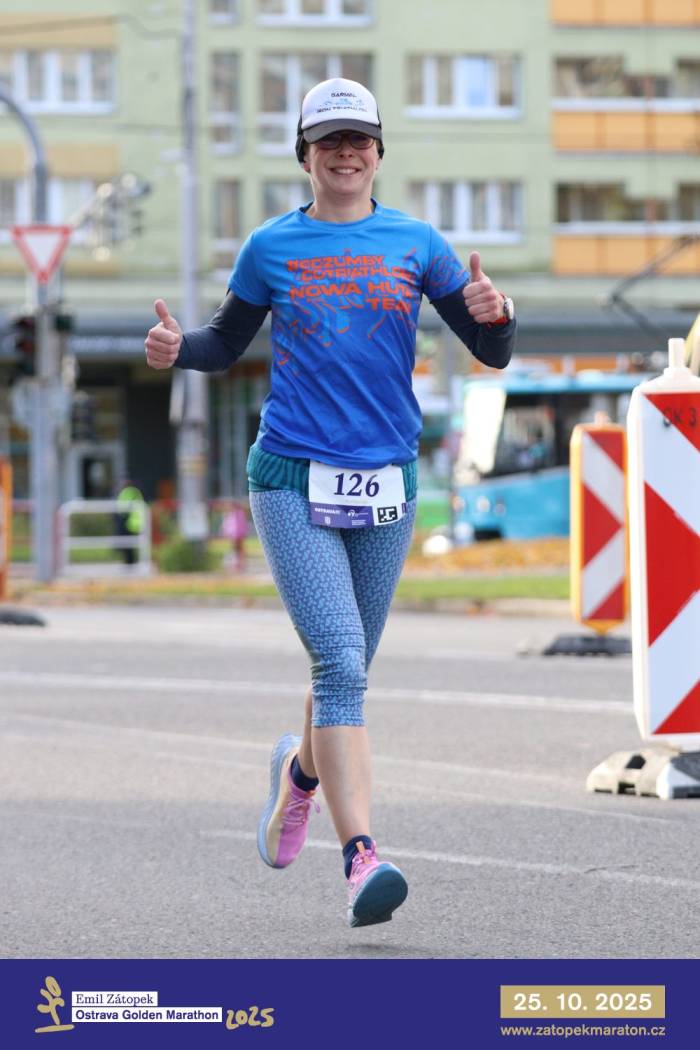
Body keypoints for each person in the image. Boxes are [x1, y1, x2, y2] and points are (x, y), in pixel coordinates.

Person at [145, 77, 516, 927]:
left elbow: (489, 348)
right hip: (292, 477)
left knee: (344, 672)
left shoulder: (417, 243)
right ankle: (361, 860)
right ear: (306, 157)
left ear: (378, 153)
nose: (345, 153)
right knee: (341, 664)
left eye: (359, 140)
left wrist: (497, 316)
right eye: (328, 141)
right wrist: (176, 349)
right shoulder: (271, 246)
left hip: (388, 480)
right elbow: (223, 342)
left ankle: (297, 779)